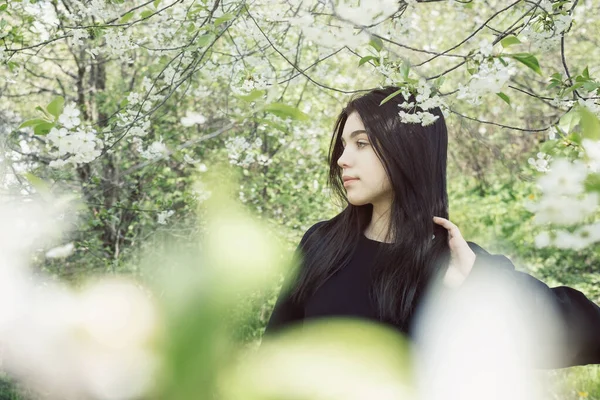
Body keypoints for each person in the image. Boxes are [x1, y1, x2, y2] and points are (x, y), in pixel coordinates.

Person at [262, 86, 600, 368]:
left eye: (361, 143)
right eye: (344, 145)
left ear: (407, 149)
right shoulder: (321, 244)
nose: (342, 159)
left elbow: (589, 334)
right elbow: (275, 356)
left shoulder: (454, 263)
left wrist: (480, 276)